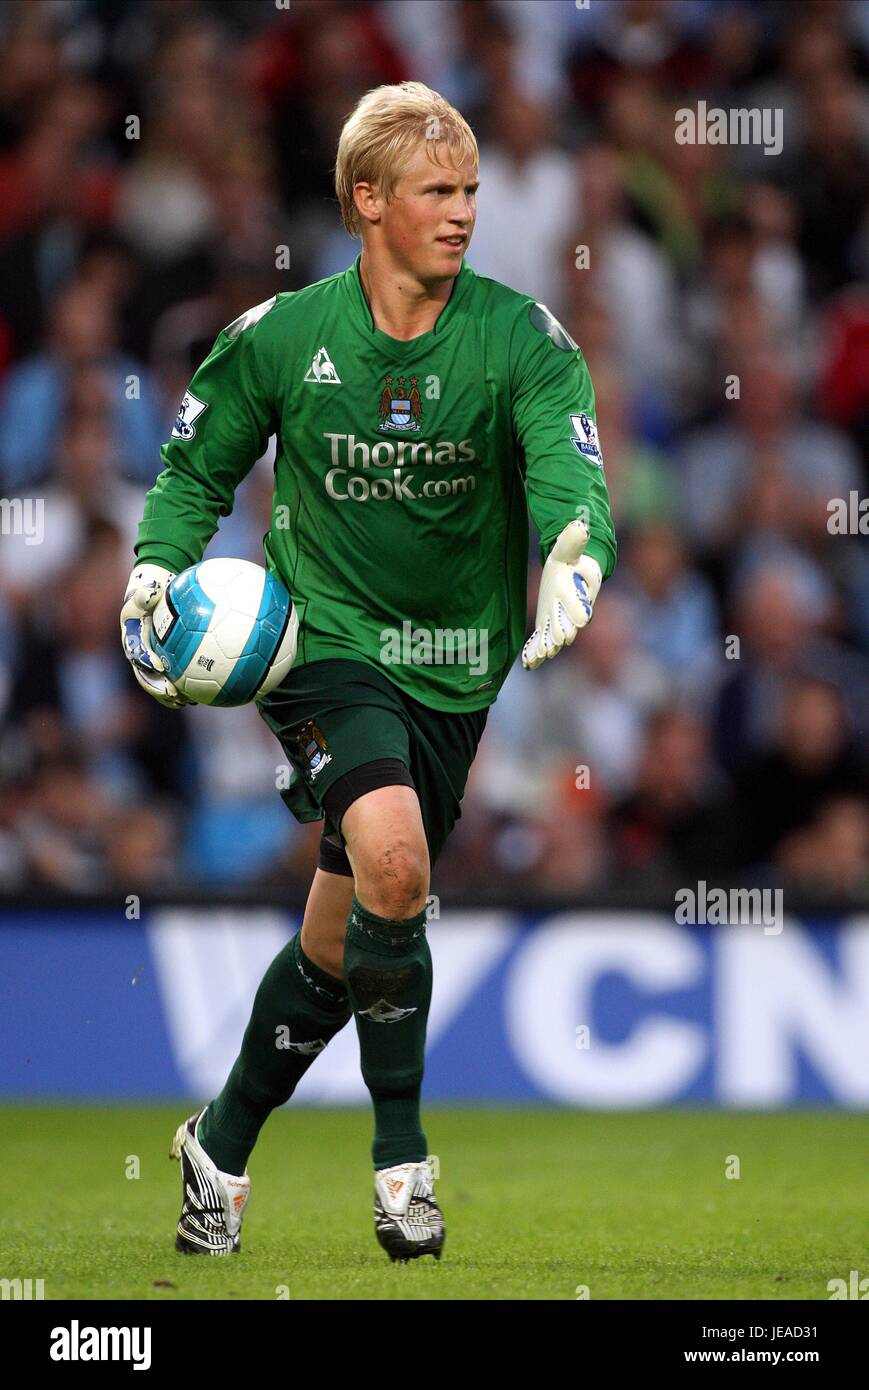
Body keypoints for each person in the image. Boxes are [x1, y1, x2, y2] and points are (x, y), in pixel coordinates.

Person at [119, 81, 616, 1263]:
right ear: (367, 199)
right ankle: (403, 1170)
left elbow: (567, 474)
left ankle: (219, 1143)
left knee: (351, 935)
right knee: (397, 859)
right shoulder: (283, 336)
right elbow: (196, 473)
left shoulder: (518, 339)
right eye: (437, 192)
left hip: (455, 665)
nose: (461, 214)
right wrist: (153, 572)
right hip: (322, 642)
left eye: (471, 192)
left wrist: (570, 555)